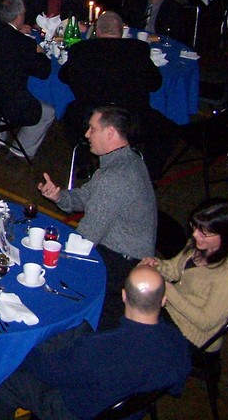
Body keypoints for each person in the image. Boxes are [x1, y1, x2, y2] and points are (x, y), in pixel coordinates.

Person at [0, 266, 191, 420]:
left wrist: (20, 349)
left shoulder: (100, 349)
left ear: (124, 296)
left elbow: (49, 372)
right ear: (163, 300)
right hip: (126, 409)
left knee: (3, 379)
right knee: (78, 329)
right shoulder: (177, 343)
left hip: (75, 411)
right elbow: (176, 387)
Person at [38, 106, 157, 328]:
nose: (86, 134)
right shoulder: (126, 160)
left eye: (92, 129)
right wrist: (59, 196)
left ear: (110, 133)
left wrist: (53, 254)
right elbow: (86, 197)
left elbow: (86, 237)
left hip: (120, 263)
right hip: (121, 252)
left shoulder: (116, 176)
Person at [59, 11, 170, 180]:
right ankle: (148, 175)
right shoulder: (138, 50)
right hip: (132, 123)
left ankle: (84, 162)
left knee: (70, 114)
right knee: (168, 130)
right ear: (121, 31)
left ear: (97, 30)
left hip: (89, 121)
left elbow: (64, 76)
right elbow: (155, 84)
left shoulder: (81, 49)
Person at [140, 197, 228, 354]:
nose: (195, 235)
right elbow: (174, 269)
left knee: (136, 335)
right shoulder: (198, 243)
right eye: (194, 227)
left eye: (204, 233)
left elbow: (206, 322)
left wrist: (168, 290)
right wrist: (157, 265)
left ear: (225, 236)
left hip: (193, 335)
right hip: (171, 310)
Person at [0, 0, 54, 158]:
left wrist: (16, 31)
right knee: (48, 112)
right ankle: (20, 151)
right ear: (19, 16)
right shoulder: (23, 44)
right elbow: (44, 72)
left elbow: (4, 42)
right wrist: (40, 52)